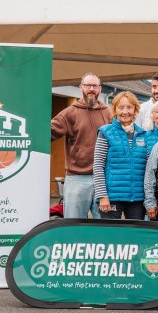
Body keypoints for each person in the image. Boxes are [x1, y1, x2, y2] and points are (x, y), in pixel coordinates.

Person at [50, 72, 108, 218]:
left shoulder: (109, 113)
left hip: (104, 178)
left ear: (100, 89)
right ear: (80, 87)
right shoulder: (70, 113)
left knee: (104, 226)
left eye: (94, 86)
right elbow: (47, 133)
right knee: (73, 225)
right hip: (76, 178)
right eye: (87, 85)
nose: (91, 89)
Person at [93, 91, 150, 220]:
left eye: (129, 107)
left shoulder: (143, 135)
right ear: (114, 110)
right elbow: (98, 166)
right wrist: (102, 196)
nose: (125, 111)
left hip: (137, 198)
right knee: (111, 236)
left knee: (134, 236)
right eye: (121, 107)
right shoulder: (105, 132)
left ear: (135, 110)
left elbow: (148, 168)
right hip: (111, 197)